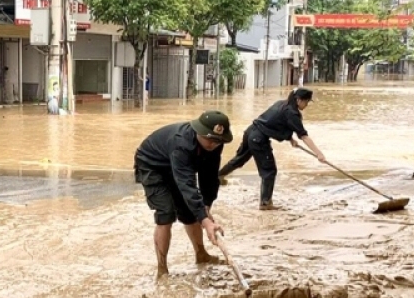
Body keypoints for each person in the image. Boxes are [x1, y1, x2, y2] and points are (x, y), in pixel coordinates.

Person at [134, 110, 230, 279]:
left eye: (217, 141)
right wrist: (206, 222)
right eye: (209, 139)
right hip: (153, 165)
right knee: (166, 213)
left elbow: (210, 176)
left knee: (191, 211)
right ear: (198, 132)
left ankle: (201, 254)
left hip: (177, 167)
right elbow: (187, 185)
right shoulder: (182, 144)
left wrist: (205, 207)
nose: (212, 144)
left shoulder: (216, 144)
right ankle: (162, 269)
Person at [218, 88, 327, 210]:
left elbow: (274, 122)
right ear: (298, 100)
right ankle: (265, 204)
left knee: (240, 159)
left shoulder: (282, 104)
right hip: (258, 139)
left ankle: (218, 176)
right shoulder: (292, 113)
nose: (306, 105)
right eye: (306, 102)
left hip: (251, 131)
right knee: (269, 171)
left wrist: (290, 139)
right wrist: (319, 154)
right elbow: (304, 136)